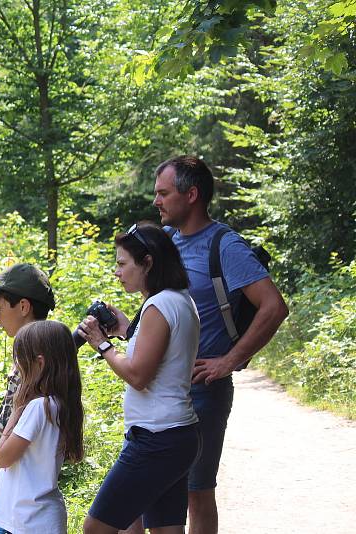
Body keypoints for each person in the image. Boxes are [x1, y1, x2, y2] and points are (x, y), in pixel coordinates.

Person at [153, 155, 288, 534]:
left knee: (196, 492)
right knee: (152, 489)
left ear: (191, 194)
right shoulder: (166, 241)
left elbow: (274, 307)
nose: (156, 201)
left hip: (202, 392)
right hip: (159, 389)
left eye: (163, 193)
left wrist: (228, 361)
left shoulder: (225, 246)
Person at [79, 222, 201, 534]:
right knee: (166, 530)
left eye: (122, 264)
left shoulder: (158, 306)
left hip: (155, 438)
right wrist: (126, 331)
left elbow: (138, 375)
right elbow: (163, 356)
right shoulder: (179, 299)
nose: (116, 272)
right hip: (178, 435)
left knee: (96, 528)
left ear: (147, 262)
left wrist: (102, 344)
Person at [0, 263, 57, 534]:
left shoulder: (36, 359)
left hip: (15, 476)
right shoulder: (42, 351)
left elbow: (25, 418)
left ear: (23, 307)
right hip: (9, 470)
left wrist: (1, 455)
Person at [0, 320, 84, 534]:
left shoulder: (38, 408)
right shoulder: (60, 404)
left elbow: (2, 458)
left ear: (39, 363)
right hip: (40, 518)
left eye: (19, 361)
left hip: (29, 521)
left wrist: (16, 410)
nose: (17, 369)